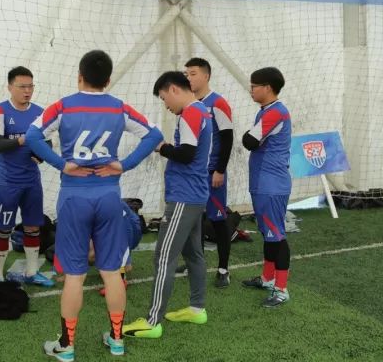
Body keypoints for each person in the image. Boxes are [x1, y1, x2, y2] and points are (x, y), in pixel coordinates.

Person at [25, 50, 163, 361]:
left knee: (74, 275)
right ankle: (117, 341)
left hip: (74, 196)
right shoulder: (119, 107)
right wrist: (123, 164)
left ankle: (67, 346)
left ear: (79, 76)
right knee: (112, 272)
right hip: (109, 195)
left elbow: (32, 136)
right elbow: (155, 134)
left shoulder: (62, 106)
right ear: (108, 80)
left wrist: (62, 164)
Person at [123, 71, 211, 339]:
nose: (166, 105)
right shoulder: (201, 111)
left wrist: (161, 147)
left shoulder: (191, 112)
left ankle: (153, 321)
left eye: (164, 99)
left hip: (184, 197)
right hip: (194, 195)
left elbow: (186, 154)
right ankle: (197, 309)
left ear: (174, 89)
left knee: (163, 257)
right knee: (194, 254)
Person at [0, 66, 53, 286]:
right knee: (3, 229)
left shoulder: (40, 113)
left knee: (33, 226)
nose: (27, 91)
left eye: (30, 86)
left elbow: (49, 141)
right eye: (22, 86)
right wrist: (23, 140)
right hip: (7, 182)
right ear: (10, 87)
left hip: (32, 180)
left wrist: (41, 156)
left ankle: (32, 272)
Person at [240, 67, 292, 308]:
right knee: (268, 233)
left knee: (276, 235)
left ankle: (281, 290)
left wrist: (249, 136)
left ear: (268, 88)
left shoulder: (276, 112)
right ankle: (268, 279)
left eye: (254, 86)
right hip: (263, 183)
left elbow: (249, 141)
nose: (250, 90)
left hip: (271, 185)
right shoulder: (267, 111)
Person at [184, 57, 235, 288]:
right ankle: (196, 263)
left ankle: (223, 269)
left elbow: (227, 138)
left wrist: (219, 170)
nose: (189, 78)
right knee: (194, 219)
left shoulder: (218, 103)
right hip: (194, 174)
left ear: (206, 76)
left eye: (193, 73)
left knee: (218, 220)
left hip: (212, 173)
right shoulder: (189, 104)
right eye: (186, 74)